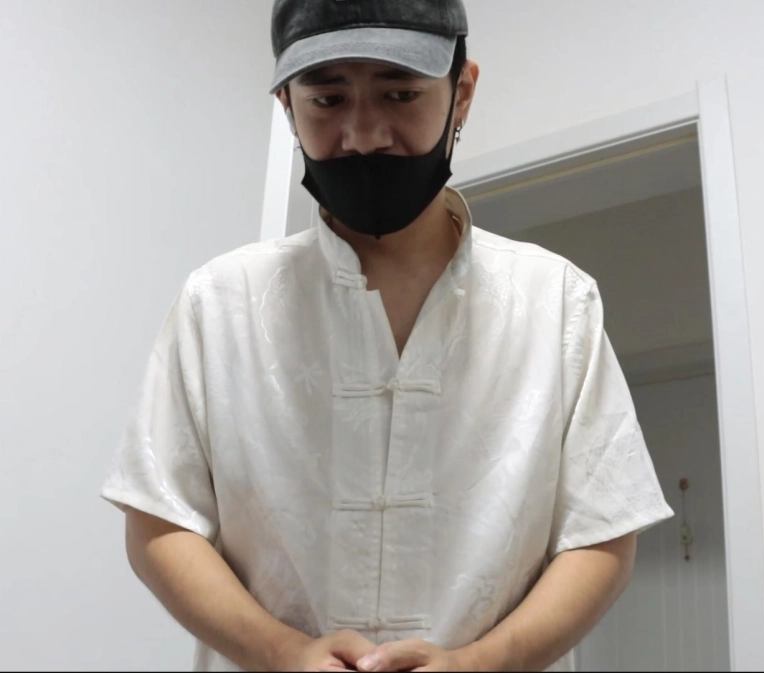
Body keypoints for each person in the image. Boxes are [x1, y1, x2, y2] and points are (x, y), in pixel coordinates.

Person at [100, 1, 674, 671]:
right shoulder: (219, 304)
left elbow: (603, 536)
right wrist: (283, 652)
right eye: (327, 99)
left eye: (400, 94)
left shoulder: (558, 304)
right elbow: (159, 523)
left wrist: (480, 663)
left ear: (462, 94)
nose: (364, 135)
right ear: (287, 105)